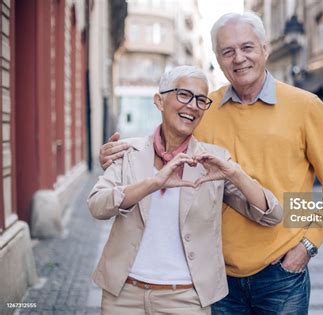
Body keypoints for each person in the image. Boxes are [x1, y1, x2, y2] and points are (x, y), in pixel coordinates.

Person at [100, 12, 323, 314]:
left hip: (281, 274)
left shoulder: (306, 107)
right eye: (228, 51)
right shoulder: (204, 107)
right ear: (218, 59)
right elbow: (161, 146)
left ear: (265, 49)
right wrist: (113, 154)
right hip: (214, 276)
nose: (239, 59)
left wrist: (309, 244)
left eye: (247, 47)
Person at [88, 65, 282, 315]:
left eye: (201, 100)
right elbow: (96, 205)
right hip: (123, 295)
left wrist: (234, 172)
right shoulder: (129, 153)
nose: (193, 105)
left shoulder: (213, 160)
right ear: (159, 100)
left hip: (185, 298)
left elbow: (271, 215)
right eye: (183, 95)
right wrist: (153, 183)